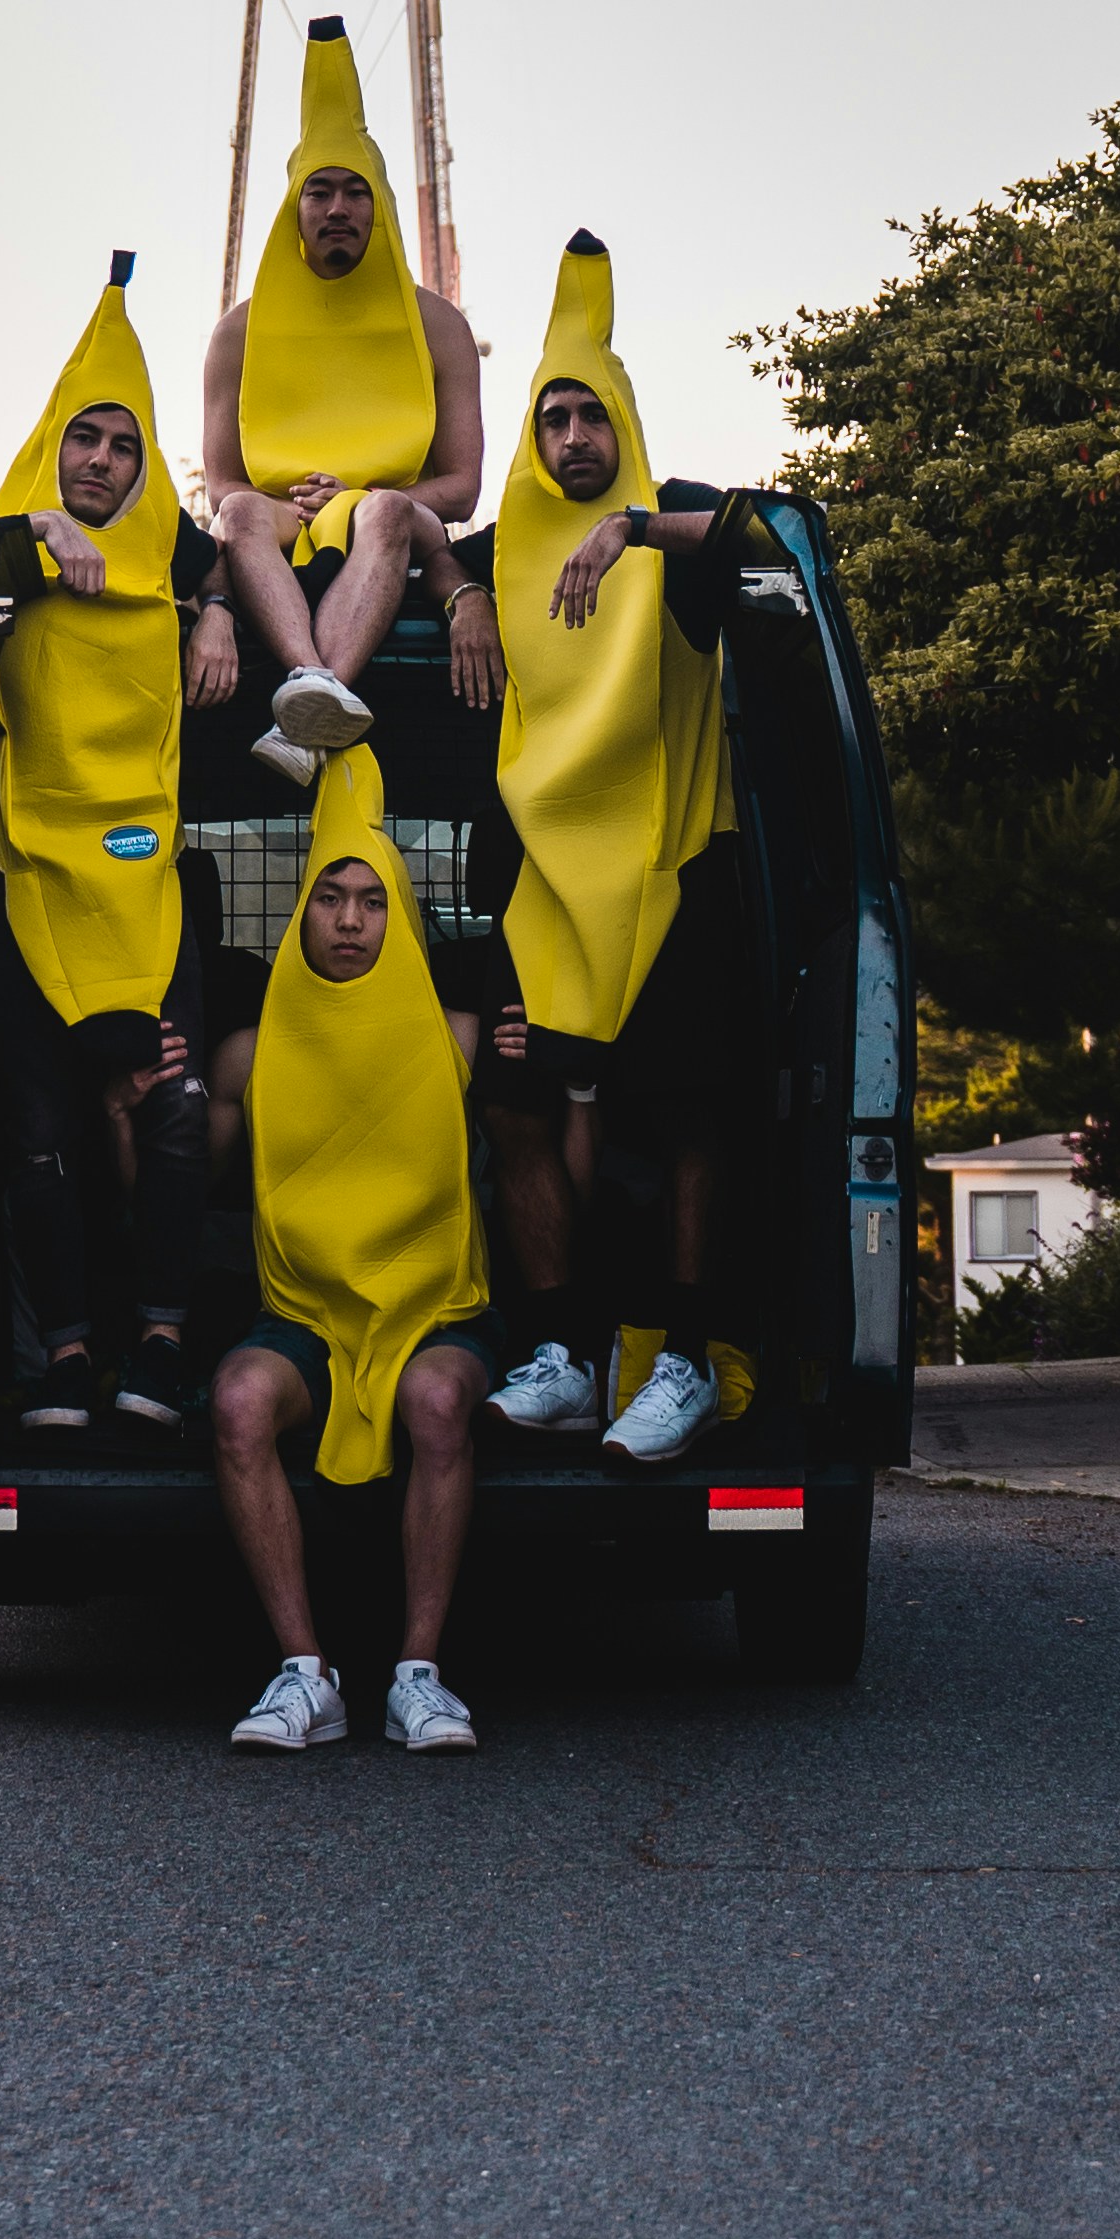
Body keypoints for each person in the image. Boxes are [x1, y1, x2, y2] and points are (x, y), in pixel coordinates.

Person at [0, 255, 241, 1434]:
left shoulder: (171, 548)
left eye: (122, 446)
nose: (101, 461)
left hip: (143, 887)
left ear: (147, 463)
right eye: (83, 440)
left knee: (175, 1110)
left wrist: (218, 617)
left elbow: (238, 557)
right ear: (55, 443)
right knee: (38, 1128)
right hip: (16, 880)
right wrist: (30, 528)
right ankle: (67, 1357)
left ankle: (159, 1347)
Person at [445, 231, 762, 1466]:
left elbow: (781, 535)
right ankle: (564, 1354)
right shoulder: (510, 542)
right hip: (548, 896)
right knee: (516, 1107)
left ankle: (681, 1359)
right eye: (553, 418)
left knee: (686, 1126)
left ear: (624, 427)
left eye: (591, 416)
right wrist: (462, 592)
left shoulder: (671, 529)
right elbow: (404, 543)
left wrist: (635, 529)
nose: (571, 437)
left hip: (672, 877)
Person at [199, 746, 494, 1755]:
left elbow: (557, 1154)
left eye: (373, 899)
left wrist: (561, 1078)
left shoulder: (457, 1038)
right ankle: (304, 1675)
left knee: (439, 1401)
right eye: (332, 897)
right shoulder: (246, 1051)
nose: (352, 919)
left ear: (398, 914)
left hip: (433, 1308)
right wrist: (143, 1096)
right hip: (303, 1315)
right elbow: (181, 1191)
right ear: (302, 912)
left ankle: (418, 1675)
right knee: (238, 1402)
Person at [199, 19, 484, 786]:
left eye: (356, 192)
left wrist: (362, 495)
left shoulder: (438, 326)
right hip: (281, 520)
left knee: (385, 515)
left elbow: (461, 489)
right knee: (240, 515)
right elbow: (224, 484)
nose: (337, 208)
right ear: (294, 208)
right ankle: (314, 686)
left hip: (395, 518)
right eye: (318, 190)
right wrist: (298, 501)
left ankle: (307, 694)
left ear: (380, 208)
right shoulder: (238, 333)